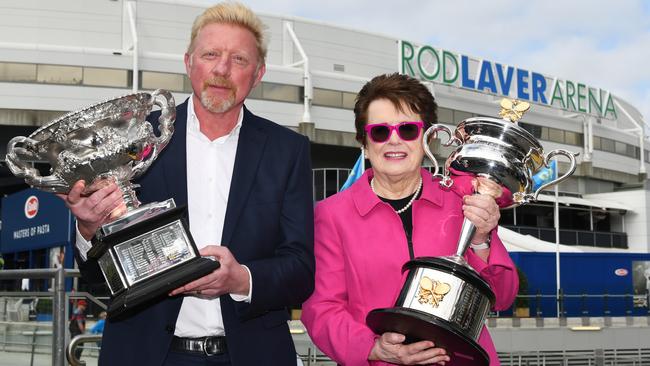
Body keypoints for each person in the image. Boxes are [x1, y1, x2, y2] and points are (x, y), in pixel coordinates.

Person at [57, 3, 314, 365]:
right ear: (188, 62)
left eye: (239, 59)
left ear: (258, 74)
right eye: (211, 54)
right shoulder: (136, 140)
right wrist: (89, 227)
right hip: (145, 355)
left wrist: (240, 279)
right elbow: (99, 283)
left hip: (251, 354)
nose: (222, 69)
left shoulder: (287, 151)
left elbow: (301, 270)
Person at [301, 73, 518, 366]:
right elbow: (322, 310)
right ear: (364, 142)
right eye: (379, 132)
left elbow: (503, 296)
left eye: (407, 130)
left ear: (427, 137)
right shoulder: (331, 215)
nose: (394, 141)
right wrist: (373, 348)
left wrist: (481, 240)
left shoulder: (461, 200)